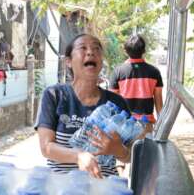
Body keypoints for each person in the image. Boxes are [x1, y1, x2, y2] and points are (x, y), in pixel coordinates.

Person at [35, 34, 131, 178]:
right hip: (61, 188)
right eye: (83, 48)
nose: (91, 52)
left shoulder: (117, 103)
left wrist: (118, 150)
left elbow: (130, 156)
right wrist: (78, 155)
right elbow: (46, 147)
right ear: (68, 61)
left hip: (103, 188)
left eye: (96, 49)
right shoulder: (54, 95)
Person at [109, 34, 163, 129]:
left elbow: (112, 101)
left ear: (125, 51)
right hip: (147, 124)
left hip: (124, 123)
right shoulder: (154, 72)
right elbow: (158, 100)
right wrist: (162, 123)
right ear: (144, 51)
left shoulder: (118, 71)